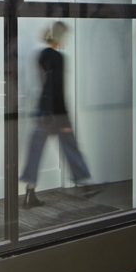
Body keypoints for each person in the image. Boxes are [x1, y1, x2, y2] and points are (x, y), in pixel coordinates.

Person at [20, 21, 100, 208]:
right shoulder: (57, 57)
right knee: (70, 146)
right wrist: (63, 119)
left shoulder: (40, 55)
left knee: (35, 151)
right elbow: (56, 88)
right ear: (60, 37)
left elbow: (43, 86)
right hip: (56, 112)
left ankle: (30, 193)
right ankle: (86, 184)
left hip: (42, 110)